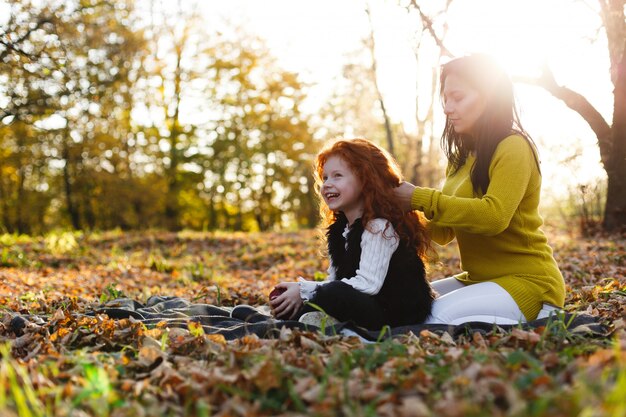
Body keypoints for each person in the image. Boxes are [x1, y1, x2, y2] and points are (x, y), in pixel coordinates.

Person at [395, 54, 566, 325]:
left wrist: (418, 197)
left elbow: (493, 216)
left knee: (430, 318)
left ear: (489, 96)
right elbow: (442, 231)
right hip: (479, 279)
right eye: (446, 99)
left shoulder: (514, 147)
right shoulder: (461, 159)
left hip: (529, 283)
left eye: (458, 98)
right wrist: (392, 211)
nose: (448, 108)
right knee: (406, 305)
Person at [270, 138, 435, 330]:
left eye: (337, 176)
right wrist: (297, 295)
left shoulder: (379, 227)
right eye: (325, 178)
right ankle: (291, 316)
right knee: (316, 295)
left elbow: (368, 285)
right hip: (362, 303)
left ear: (365, 180)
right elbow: (334, 282)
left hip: (393, 313)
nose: (327, 184)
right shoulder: (339, 231)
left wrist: (305, 290)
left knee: (333, 294)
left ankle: (313, 319)